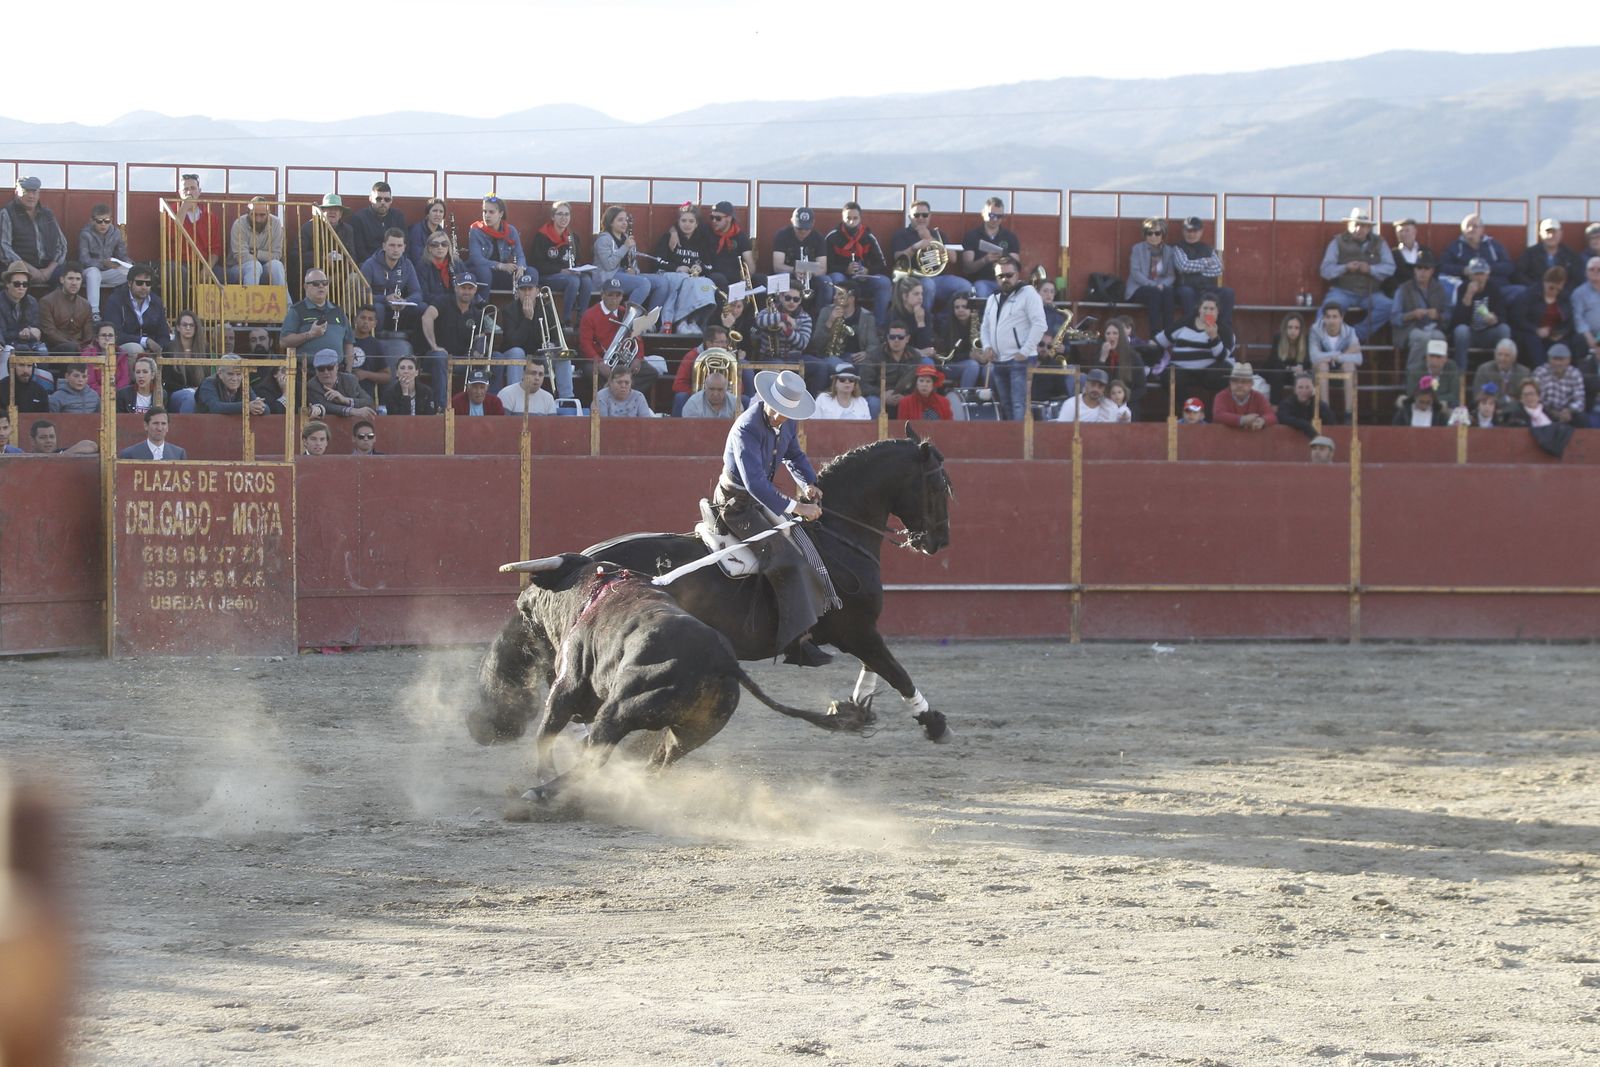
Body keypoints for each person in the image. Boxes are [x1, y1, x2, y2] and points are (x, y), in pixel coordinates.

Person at [718, 368, 839, 666]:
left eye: (788, 412)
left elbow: (794, 456)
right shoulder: (747, 427)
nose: (782, 417)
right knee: (784, 557)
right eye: (779, 410)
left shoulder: (787, 421)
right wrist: (798, 507)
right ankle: (795, 641)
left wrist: (808, 483)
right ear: (766, 399)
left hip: (760, 500)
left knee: (803, 544)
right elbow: (754, 484)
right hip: (736, 505)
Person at [978, 254, 1046, 421]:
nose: (1004, 279)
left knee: (1018, 405)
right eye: (1000, 276)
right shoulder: (992, 298)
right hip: (999, 360)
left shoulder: (1029, 294)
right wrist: (987, 347)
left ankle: (1021, 445)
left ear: (1017, 275)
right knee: (1006, 406)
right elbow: (985, 327)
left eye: (1009, 275)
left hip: (1020, 361)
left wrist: (1025, 351)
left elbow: (1040, 324)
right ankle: (1013, 443)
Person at [1319, 208, 1395, 341]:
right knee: (1327, 309)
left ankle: (1356, 335)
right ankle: (1321, 341)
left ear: (1369, 228)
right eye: (1356, 224)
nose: (1359, 228)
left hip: (1371, 292)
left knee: (1389, 306)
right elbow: (1325, 270)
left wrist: (1371, 269)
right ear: (1349, 225)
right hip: (1342, 291)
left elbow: (1390, 267)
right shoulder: (1337, 242)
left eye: (1363, 225)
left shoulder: (1380, 243)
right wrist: (1345, 268)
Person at [579, 277, 658, 394]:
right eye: (611, 295)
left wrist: (638, 358)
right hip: (600, 358)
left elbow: (637, 338)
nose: (615, 300)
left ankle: (626, 395)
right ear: (602, 295)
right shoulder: (590, 315)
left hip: (621, 359)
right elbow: (585, 344)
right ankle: (607, 396)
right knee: (592, 371)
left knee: (651, 373)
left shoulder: (625, 312)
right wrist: (599, 362)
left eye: (618, 296)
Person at [652, 204, 717, 333]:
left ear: (697, 224)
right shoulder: (668, 237)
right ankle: (680, 321)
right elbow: (657, 261)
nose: (687, 224)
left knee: (708, 284)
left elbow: (709, 265)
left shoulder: (702, 241)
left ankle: (694, 321)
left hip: (693, 278)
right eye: (683, 221)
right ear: (678, 222)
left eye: (691, 221)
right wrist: (676, 267)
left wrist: (700, 268)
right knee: (685, 281)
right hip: (671, 275)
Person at [890, 201, 966, 313]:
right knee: (928, 285)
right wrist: (915, 247)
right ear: (910, 217)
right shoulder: (901, 234)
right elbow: (898, 258)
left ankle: (943, 318)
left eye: (924, 215)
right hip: (914, 278)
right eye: (916, 215)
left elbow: (953, 258)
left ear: (930, 216)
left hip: (939, 278)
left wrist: (930, 239)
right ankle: (924, 321)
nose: (921, 218)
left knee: (965, 286)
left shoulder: (938, 234)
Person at [824, 202, 892, 324]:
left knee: (884, 282)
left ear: (860, 219)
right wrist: (845, 269)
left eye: (855, 218)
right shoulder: (832, 237)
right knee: (836, 278)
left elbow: (882, 265)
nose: (851, 222)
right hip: (843, 279)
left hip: (864, 281)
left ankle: (878, 326)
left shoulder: (868, 236)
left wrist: (868, 271)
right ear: (842, 218)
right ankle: (837, 322)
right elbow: (825, 266)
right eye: (848, 218)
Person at [1153, 294, 1235, 394]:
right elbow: (1160, 340)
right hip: (1182, 369)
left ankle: (1210, 408)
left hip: (1208, 372)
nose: (1208, 312)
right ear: (1199, 309)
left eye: (1212, 309)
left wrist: (1214, 338)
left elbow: (1222, 357)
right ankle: (1185, 407)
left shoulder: (1224, 330)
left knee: (1223, 372)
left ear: (1218, 311)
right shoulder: (1185, 322)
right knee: (1169, 376)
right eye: (1205, 308)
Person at [531, 201, 591, 331]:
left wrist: (578, 269)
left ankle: (582, 319)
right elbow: (537, 264)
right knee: (573, 281)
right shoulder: (542, 236)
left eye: (567, 214)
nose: (564, 218)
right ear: (553, 217)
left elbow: (577, 260)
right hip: (548, 277)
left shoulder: (573, 237)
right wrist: (561, 270)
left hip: (568, 275)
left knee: (586, 280)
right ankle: (566, 320)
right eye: (560, 214)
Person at [420, 272, 485, 392]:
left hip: (461, 360)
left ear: (475, 290)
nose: (466, 291)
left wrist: (478, 352)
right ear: (456, 288)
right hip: (436, 357)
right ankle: (442, 407)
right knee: (441, 357)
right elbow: (427, 317)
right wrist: (434, 346)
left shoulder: (477, 313)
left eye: (470, 288)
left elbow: (480, 340)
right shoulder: (443, 301)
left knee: (486, 363)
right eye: (463, 287)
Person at [281, 269, 356, 371]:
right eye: (316, 283)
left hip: (337, 371)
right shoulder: (297, 311)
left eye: (325, 283)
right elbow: (284, 342)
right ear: (306, 286)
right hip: (308, 372)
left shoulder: (338, 311)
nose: (321, 286)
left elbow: (348, 343)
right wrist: (310, 334)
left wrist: (348, 370)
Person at [808, 283, 876, 393]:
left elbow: (874, 344)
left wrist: (866, 353)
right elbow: (816, 344)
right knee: (842, 367)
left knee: (865, 369)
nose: (834, 297)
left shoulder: (866, 317)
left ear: (851, 298)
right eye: (835, 294)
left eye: (839, 294)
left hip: (856, 359)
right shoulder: (826, 312)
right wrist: (830, 321)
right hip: (830, 357)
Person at [0, 177, 67, 286]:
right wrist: (29, 269)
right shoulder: (7, 213)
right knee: (18, 280)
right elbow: (4, 248)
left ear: (39, 193)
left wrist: (48, 270)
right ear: (17, 192)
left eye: (34, 192)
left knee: (68, 278)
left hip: (48, 266)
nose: (31, 196)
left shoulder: (48, 214)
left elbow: (62, 246)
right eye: (26, 191)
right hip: (20, 266)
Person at [1390, 250, 1450, 372]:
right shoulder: (1403, 289)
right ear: (1414, 270)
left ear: (1432, 271)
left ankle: (1436, 377)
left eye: (1426, 268)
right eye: (1419, 268)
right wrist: (1411, 315)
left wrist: (1437, 315)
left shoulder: (1439, 288)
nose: (1422, 272)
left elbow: (1449, 315)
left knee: (1439, 338)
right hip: (1408, 329)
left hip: (1433, 327)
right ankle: (1413, 377)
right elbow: (1394, 318)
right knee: (1422, 338)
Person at [1172, 216, 1233, 333]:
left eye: (1194, 231)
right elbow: (1183, 266)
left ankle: (1225, 330)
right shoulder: (1178, 247)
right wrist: (1206, 262)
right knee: (1186, 292)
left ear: (1201, 232)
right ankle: (1192, 329)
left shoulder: (1208, 249)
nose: (1191, 234)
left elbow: (1218, 269)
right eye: (1188, 230)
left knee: (1228, 292)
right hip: (1186, 288)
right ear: (1183, 231)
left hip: (1207, 288)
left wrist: (1194, 268)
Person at [361, 228, 425, 337]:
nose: (395, 249)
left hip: (399, 307)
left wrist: (404, 302)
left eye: (399, 246)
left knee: (423, 307)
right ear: (384, 246)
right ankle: (377, 340)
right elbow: (362, 295)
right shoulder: (369, 265)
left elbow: (417, 293)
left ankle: (416, 346)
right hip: (378, 306)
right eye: (392, 245)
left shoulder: (407, 264)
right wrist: (385, 299)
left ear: (404, 248)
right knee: (378, 308)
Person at [1450, 257, 1510, 368]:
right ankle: (1461, 374)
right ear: (1470, 276)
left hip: (1488, 333)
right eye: (1476, 274)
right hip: (1470, 334)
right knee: (1461, 331)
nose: (1479, 277)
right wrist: (1468, 297)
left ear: (1487, 275)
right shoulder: (1463, 288)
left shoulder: (1493, 288)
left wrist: (1495, 319)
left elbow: (1503, 315)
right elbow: (1456, 322)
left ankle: (1500, 370)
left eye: (1482, 274)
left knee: (1504, 329)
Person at [857, 323, 926, 419]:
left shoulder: (915, 357)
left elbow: (920, 385)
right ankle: (872, 433)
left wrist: (906, 397)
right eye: (892, 337)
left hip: (905, 397)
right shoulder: (874, 356)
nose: (896, 340)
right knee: (873, 403)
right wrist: (882, 394)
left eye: (900, 337)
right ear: (888, 338)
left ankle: (911, 433)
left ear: (907, 338)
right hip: (879, 396)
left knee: (915, 401)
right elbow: (863, 384)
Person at [960, 197, 1022, 300]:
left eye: (999, 216)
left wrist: (1005, 257)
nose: (995, 219)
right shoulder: (972, 236)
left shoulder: (1010, 237)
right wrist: (985, 260)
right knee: (982, 289)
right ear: (983, 213)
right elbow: (967, 268)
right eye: (991, 215)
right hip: (981, 281)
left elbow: (1017, 266)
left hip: (1005, 280)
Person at [1509, 267, 1573, 367]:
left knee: (1565, 344)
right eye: (1551, 287)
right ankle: (1541, 370)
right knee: (1534, 342)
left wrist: (1560, 332)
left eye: (1558, 289)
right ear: (1545, 282)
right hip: (1531, 332)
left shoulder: (1564, 297)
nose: (1554, 291)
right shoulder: (1530, 294)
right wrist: (1536, 330)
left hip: (1553, 333)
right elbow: (1518, 318)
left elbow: (1569, 321)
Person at [771, 206, 830, 312]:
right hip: (789, 273)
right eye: (799, 228)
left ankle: (820, 317)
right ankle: (779, 315)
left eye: (807, 228)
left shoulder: (818, 238)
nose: (803, 231)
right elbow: (777, 266)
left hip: (810, 275)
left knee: (826, 282)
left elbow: (822, 268)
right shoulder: (782, 235)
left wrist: (807, 271)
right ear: (792, 221)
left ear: (813, 224)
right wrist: (795, 269)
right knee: (778, 280)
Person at [468, 195, 529, 296]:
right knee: (484, 272)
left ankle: (526, 308)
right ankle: (482, 307)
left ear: (500, 214)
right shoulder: (476, 230)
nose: (487, 215)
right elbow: (476, 259)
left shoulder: (510, 230)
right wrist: (500, 266)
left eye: (491, 212)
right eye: (484, 211)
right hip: (481, 272)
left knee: (532, 272)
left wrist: (521, 267)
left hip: (502, 274)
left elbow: (520, 255)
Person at [592, 206, 652, 308]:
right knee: (644, 284)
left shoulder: (627, 238)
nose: (625, 223)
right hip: (609, 277)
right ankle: (627, 319)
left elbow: (633, 262)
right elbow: (608, 265)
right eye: (620, 220)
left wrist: (634, 270)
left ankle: (650, 320)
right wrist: (625, 247)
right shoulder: (603, 240)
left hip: (625, 274)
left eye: (626, 220)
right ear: (610, 222)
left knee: (662, 283)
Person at [106, 265, 171, 359]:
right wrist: (144, 341)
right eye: (139, 283)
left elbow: (164, 334)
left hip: (151, 349)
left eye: (148, 284)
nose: (144, 287)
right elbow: (115, 335)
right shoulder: (115, 301)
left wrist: (159, 348)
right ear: (129, 283)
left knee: (172, 348)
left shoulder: (156, 302)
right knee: (135, 349)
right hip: (123, 347)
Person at [1308, 301, 1363, 412]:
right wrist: (1342, 353)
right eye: (1328, 317)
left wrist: (1337, 358)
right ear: (1323, 318)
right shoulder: (1315, 330)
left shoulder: (1350, 332)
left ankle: (1349, 413)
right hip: (1320, 372)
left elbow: (1359, 359)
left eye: (1335, 317)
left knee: (1349, 366)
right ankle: (1325, 411)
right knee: (1323, 365)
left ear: (1341, 318)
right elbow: (1314, 357)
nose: (1331, 320)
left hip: (1340, 371)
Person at [1441, 213, 1516, 293]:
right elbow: (1443, 266)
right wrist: (1463, 270)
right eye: (1467, 226)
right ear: (1462, 230)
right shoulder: (1454, 247)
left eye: (1475, 226)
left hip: (1497, 288)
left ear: (1482, 229)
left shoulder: (1494, 245)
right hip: (1466, 289)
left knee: (1518, 291)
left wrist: (1488, 269)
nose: (1470, 229)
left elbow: (1509, 267)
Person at [76, 205, 129, 318]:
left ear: (111, 220)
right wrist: (103, 263)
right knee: (93, 273)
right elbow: (84, 259)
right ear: (92, 221)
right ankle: (94, 312)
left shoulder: (116, 233)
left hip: (108, 271)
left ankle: (128, 310)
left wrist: (129, 265)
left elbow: (122, 255)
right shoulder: (85, 234)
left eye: (107, 221)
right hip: (89, 272)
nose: (103, 224)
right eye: (99, 221)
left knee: (131, 273)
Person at [1127, 218, 1177, 336]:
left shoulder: (1169, 251)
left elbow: (1171, 275)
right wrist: (1154, 285)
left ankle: (1168, 333)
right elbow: (1135, 273)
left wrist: (1162, 285)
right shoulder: (1137, 249)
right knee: (1154, 293)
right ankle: (1155, 335)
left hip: (1160, 287)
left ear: (1163, 234)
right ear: (1145, 234)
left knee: (1169, 291)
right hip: (1139, 288)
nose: (1153, 236)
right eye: (1149, 233)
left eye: (1157, 233)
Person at [1514, 219, 1585, 297]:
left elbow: (1577, 278)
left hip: (1564, 296)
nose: (1551, 236)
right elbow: (1519, 274)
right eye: (1547, 232)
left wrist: (1562, 291)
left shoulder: (1571, 255)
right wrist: (1536, 288)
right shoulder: (1530, 253)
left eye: (1554, 232)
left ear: (1561, 233)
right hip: (1535, 295)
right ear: (1540, 233)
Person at [704, 201, 755, 304]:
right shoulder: (706, 231)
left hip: (736, 279)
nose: (714, 221)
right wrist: (673, 231)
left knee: (761, 280)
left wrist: (746, 281)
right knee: (719, 279)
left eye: (718, 218)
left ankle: (755, 318)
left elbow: (749, 263)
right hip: (714, 277)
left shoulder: (740, 236)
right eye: (712, 217)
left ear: (729, 218)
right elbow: (685, 228)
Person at [228, 196, 286, 286]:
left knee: (277, 266)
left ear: (268, 213)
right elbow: (241, 256)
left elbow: (277, 255)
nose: (258, 219)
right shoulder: (239, 224)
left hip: (265, 268)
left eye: (262, 215)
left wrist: (256, 253)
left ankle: (284, 300)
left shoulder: (276, 223)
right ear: (248, 213)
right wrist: (262, 259)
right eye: (254, 214)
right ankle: (250, 300)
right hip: (238, 269)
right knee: (254, 267)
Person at [174, 173, 222, 281]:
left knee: (223, 276)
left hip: (203, 262)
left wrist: (207, 268)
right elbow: (173, 233)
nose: (189, 192)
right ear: (180, 192)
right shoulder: (170, 212)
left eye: (193, 188)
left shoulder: (210, 217)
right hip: (178, 261)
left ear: (199, 191)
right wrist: (185, 206)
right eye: (185, 189)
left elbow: (216, 248)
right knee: (175, 272)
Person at [348, 182, 407, 266]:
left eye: (387, 199)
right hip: (369, 264)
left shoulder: (398, 216)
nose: (383, 202)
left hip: (395, 263)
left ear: (391, 200)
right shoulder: (359, 218)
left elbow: (405, 244)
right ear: (371, 198)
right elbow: (360, 251)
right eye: (378, 199)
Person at [306, 349, 376, 419]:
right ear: (316, 371)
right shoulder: (312, 385)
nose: (326, 372)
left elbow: (369, 401)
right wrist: (353, 411)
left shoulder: (350, 379)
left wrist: (345, 400)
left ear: (337, 367)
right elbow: (327, 407)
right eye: (321, 369)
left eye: (330, 368)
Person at [1257, 311, 1312, 399]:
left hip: (1294, 374)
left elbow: (1308, 362)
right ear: (1285, 328)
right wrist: (1290, 368)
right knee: (1277, 375)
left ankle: (1299, 407)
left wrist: (1301, 368)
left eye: (1296, 328)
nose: (1293, 331)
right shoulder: (1278, 337)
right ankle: (1275, 407)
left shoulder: (1306, 339)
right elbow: (1274, 361)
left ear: (1301, 329)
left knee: (1301, 377)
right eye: (1290, 327)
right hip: (1278, 372)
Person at [1471, 338, 1530, 417]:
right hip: (1490, 413)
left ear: (1514, 357)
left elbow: (1526, 400)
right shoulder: (1484, 369)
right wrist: (1506, 400)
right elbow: (1478, 397)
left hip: (1517, 414)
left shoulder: (1524, 373)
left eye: (1506, 355)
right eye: (1500, 354)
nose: (1502, 359)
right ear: (1495, 355)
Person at [1, 261, 48, 358]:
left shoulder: (32, 301)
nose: (21, 287)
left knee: (43, 351)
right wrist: (19, 334)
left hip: (28, 343)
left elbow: (36, 329)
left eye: (25, 284)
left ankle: (38, 373)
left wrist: (30, 330)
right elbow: (2, 333)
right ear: (7, 284)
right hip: (6, 344)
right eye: (17, 284)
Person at [1530, 344, 1584, 426]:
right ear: (1549, 359)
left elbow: (1580, 401)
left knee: (1582, 418)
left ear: (1569, 360)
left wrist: (1568, 411)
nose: (1558, 363)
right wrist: (1552, 412)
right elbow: (1535, 399)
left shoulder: (1575, 374)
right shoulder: (1540, 372)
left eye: (1561, 359)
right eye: (1555, 359)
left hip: (1568, 413)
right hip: (1546, 411)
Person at [1211, 362, 1276, 431]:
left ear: (1252, 384)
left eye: (1244, 381)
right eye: (1235, 381)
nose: (1239, 385)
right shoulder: (1221, 396)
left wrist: (1262, 421)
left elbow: (1272, 416)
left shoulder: (1258, 397)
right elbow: (1218, 416)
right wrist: (1242, 420)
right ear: (1230, 382)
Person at [196, 354, 268, 415]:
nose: (235, 378)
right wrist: (246, 406)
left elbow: (267, 410)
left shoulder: (244, 385)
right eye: (230, 374)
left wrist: (259, 406)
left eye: (238, 374)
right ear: (220, 373)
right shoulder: (208, 383)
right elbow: (215, 407)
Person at [1054, 368, 1127, 423]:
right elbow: (1062, 433)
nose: (1096, 389)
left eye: (1100, 386)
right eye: (1093, 384)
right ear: (1086, 384)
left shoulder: (1111, 407)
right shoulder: (1071, 404)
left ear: (1104, 389)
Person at [1276, 372, 1336, 439]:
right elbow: (1283, 418)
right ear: (1295, 390)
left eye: (1307, 387)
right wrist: (1305, 425)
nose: (1304, 391)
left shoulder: (1319, 405)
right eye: (1300, 387)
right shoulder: (1287, 404)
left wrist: (1314, 398)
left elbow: (1331, 421)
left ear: (1313, 389)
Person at [1406, 339, 1462, 408]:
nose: (1434, 361)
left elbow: (1454, 395)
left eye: (1439, 357)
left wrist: (1434, 400)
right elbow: (1411, 394)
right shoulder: (1416, 370)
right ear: (1426, 357)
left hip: (1444, 407)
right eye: (1432, 356)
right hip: (1421, 406)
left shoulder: (1452, 367)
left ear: (1445, 358)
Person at [1385, 217, 1432, 297]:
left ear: (1414, 232)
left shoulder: (1426, 251)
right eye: (1400, 231)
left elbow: (1433, 272)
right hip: (1402, 294)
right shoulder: (1391, 254)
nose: (1403, 234)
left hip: (1425, 293)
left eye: (1407, 230)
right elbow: (1388, 277)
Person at [117, 407, 186, 460]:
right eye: (155, 423)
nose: (159, 428)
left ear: (167, 427)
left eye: (163, 424)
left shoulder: (179, 454)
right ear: (146, 426)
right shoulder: (129, 454)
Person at [406, 198, 452, 270]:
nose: (438, 214)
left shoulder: (443, 233)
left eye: (441, 212)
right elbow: (417, 258)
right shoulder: (416, 230)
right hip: (420, 271)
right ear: (428, 213)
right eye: (434, 211)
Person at [1571, 257, 1600, 360]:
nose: (1595, 272)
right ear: (1586, 272)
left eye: (1599, 269)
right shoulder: (1579, 293)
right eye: (1591, 269)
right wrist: (1591, 340)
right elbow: (1578, 319)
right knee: (1579, 340)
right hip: (1588, 335)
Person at [28, 419, 97, 455]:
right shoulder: (26, 459)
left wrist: (61, 457)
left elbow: (91, 445)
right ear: (32, 440)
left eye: (52, 437)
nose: (48, 440)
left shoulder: (62, 453)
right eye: (43, 437)